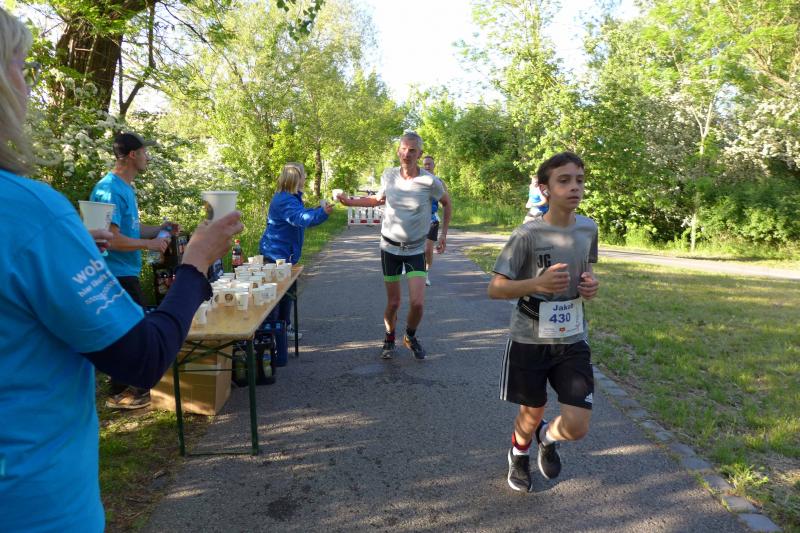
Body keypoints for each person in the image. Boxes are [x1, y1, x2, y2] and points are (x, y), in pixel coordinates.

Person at [0, 8, 244, 531]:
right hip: (34, 508)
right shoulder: (33, 209)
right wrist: (194, 261)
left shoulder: (102, 198)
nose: (28, 84)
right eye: (20, 65)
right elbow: (143, 352)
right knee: (134, 338)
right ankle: (126, 393)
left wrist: (152, 230)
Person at [487, 151, 600, 493]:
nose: (574, 187)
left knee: (578, 425)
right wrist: (537, 284)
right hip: (530, 336)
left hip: (573, 335)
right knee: (531, 411)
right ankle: (519, 452)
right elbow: (495, 288)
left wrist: (590, 285)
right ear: (545, 189)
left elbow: (586, 270)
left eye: (579, 180)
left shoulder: (588, 228)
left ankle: (548, 438)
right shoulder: (527, 235)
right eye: (564, 180)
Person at [338, 131, 452, 360]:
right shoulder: (389, 175)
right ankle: (389, 337)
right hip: (390, 248)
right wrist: (349, 201)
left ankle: (409, 336)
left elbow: (447, 203)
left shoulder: (430, 181)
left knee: (417, 304)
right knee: (394, 303)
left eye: (412, 150)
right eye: (404, 149)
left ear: (419, 154)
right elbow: (377, 199)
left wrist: (443, 235)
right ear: (398, 151)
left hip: (416, 249)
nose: (407, 154)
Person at [89, 131, 179, 410]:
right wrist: (149, 244)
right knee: (135, 332)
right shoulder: (108, 189)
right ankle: (128, 392)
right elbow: (110, 239)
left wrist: (159, 229)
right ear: (132, 155)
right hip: (113, 274)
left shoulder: (125, 188)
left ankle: (122, 390)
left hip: (126, 272)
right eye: (144, 152)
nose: (147, 157)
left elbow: (129, 229)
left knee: (128, 331)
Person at [259, 162, 333, 363]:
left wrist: (318, 210)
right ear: (296, 178)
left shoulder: (291, 198)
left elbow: (301, 214)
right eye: (304, 175)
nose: (306, 178)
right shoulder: (285, 200)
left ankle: (285, 327)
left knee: (287, 295)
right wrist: (323, 213)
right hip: (275, 256)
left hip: (284, 256)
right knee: (275, 301)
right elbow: (301, 218)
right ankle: (271, 340)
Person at [422, 155, 446, 287]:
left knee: (428, 249)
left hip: (432, 218)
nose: (427, 166)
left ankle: (425, 273)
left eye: (429, 164)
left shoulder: (439, 182)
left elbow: (447, 203)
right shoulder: (418, 180)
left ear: (434, 166)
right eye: (425, 164)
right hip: (417, 219)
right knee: (411, 246)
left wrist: (444, 233)